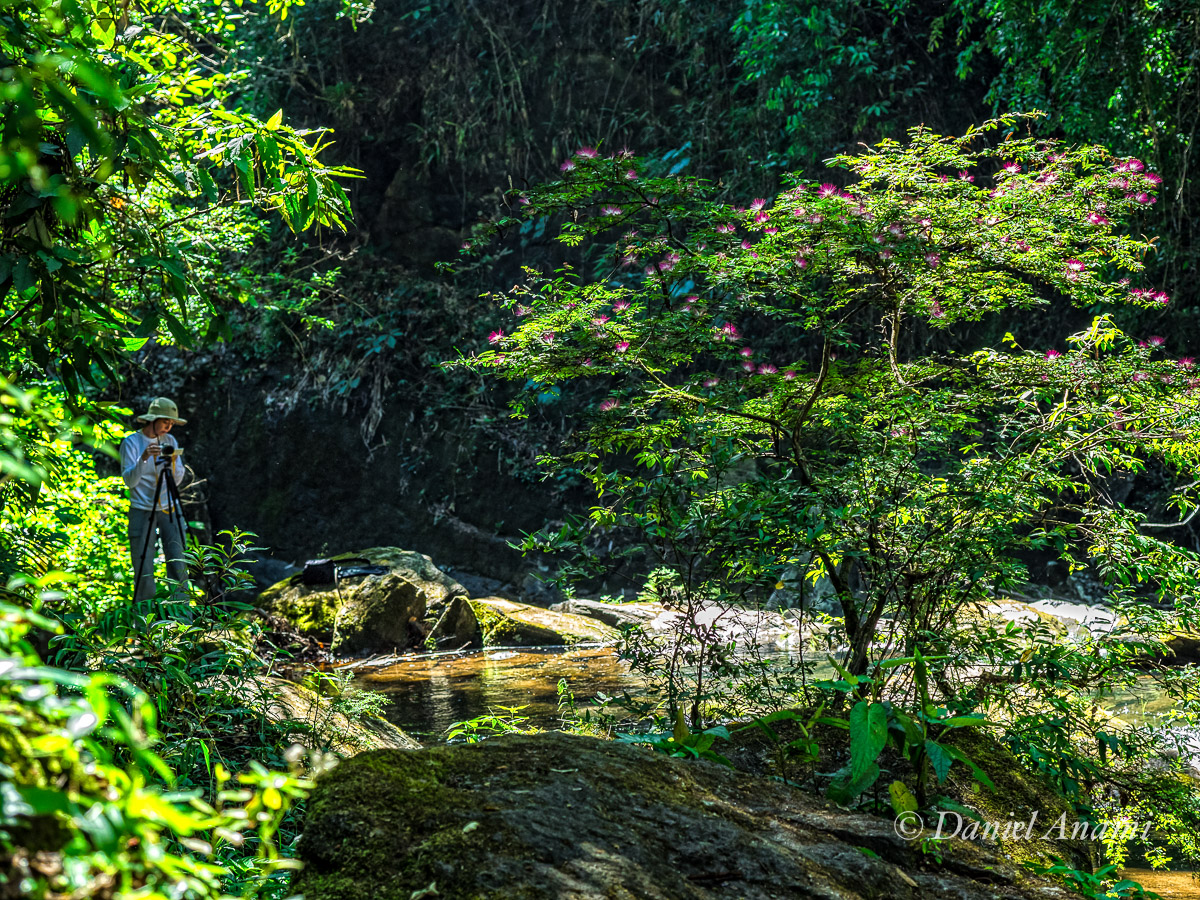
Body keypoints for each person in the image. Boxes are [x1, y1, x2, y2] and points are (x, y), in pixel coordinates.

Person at [120, 397, 189, 602]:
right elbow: (129, 482)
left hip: (169, 507)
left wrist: (174, 462)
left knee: (178, 561)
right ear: (153, 419)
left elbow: (176, 479)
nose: (169, 427)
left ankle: (182, 618)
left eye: (171, 424)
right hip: (142, 509)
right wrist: (144, 458)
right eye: (165, 422)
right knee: (144, 566)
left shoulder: (170, 442)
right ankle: (145, 624)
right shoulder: (131, 442)